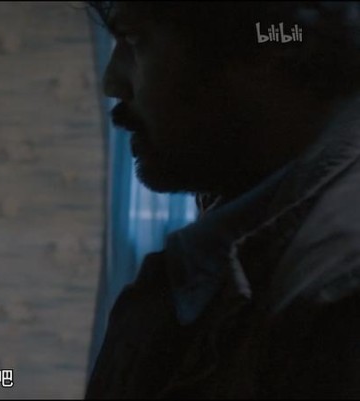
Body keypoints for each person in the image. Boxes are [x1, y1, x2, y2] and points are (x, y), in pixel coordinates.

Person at [86, 2, 360, 398]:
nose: (112, 83)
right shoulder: (235, 239)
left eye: (135, 40)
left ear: (268, 47)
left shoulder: (339, 289)